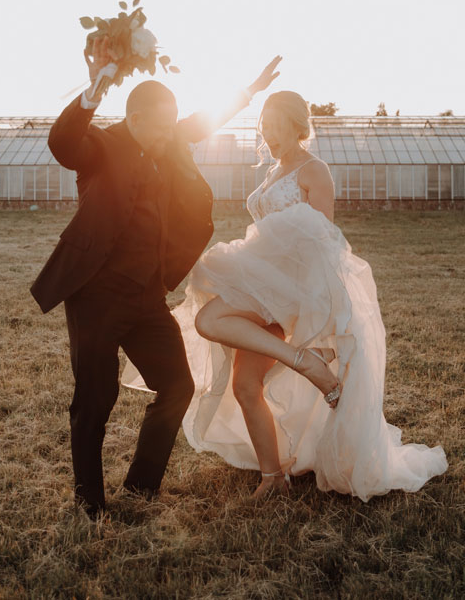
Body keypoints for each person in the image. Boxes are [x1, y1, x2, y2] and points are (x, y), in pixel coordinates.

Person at [123, 90, 448, 500]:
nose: (269, 134)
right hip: (262, 286)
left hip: (287, 293)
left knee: (208, 320)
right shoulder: (273, 171)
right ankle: (273, 477)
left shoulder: (315, 171)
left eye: (276, 127)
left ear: (297, 126)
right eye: (265, 127)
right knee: (244, 387)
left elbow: (324, 244)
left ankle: (306, 362)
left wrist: (310, 307)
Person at [30, 36, 282, 519]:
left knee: (178, 387)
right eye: (162, 125)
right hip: (97, 297)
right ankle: (89, 506)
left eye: (173, 124)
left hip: (147, 298)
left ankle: (142, 487)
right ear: (136, 120)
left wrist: (249, 91)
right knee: (95, 401)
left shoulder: (166, 139)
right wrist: (95, 85)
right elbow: (62, 143)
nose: (172, 133)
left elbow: (204, 121)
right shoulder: (101, 145)